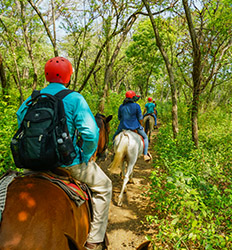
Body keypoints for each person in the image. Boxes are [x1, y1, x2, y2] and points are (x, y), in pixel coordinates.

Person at [16, 57, 112, 250]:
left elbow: (21, 122)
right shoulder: (75, 98)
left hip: (33, 163)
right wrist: (84, 155)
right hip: (67, 163)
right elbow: (91, 134)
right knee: (105, 187)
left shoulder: (32, 98)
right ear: (68, 77)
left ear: (46, 76)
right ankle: (94, 241)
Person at [112, 90, 152, 161]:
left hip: (122, 127)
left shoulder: (121, 106)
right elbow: (140, 118)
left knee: (114, 137)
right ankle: (145, 154)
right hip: (135, 126)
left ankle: (114, 153)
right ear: (133, 98)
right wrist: (141, 124)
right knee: (145, 137)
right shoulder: (136, 106)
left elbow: (119, 118)